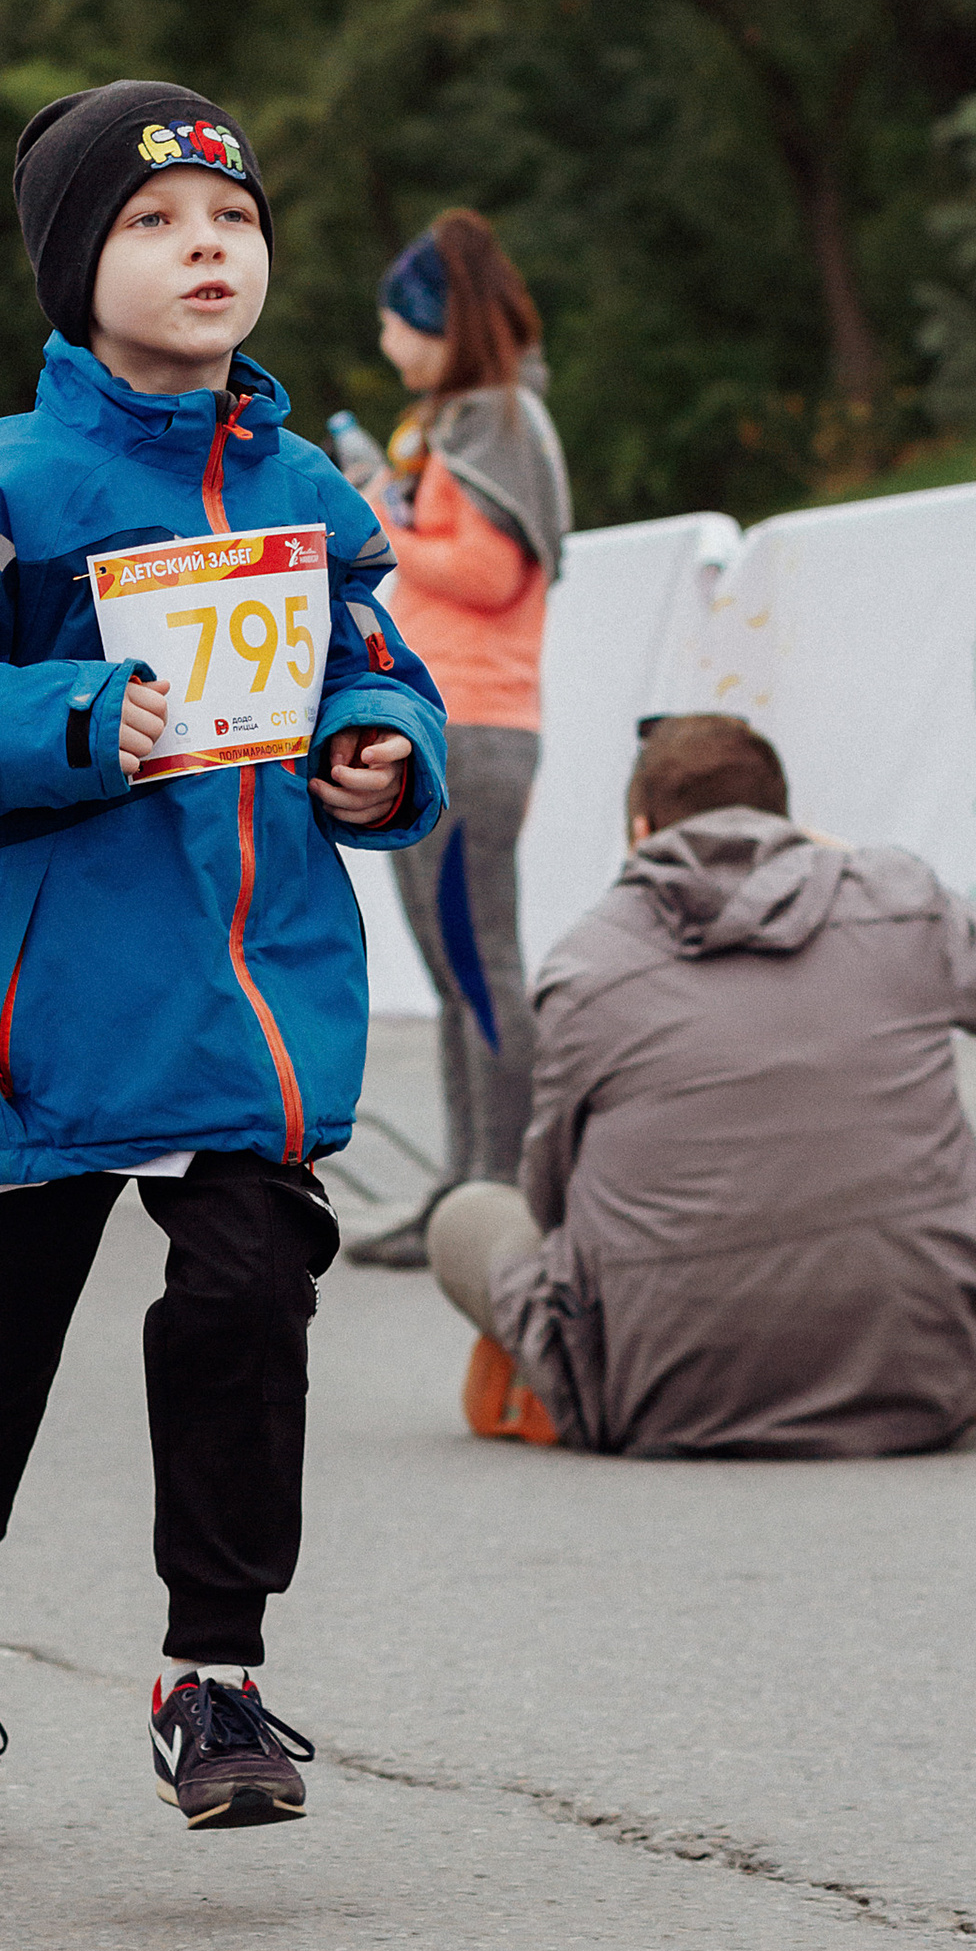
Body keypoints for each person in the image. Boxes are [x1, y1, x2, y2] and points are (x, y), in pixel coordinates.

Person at [0, 80, 446, 1833]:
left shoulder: (307, 484)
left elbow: (372, 665)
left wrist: (384, 748)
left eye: (233, 221)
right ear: (72, 269)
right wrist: (96, 713)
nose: (207, 249)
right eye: (158, 223)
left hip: (247, 997)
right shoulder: (9, 483)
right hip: (47, 1014)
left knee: (248, 1298)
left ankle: (217, 1678)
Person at [427, 713, 976, 1458]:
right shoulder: (896, 897)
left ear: (641, 828)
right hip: (921, 1370)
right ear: (787, 820)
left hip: (661, 1394)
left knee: (465, 1217)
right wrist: (844, 862)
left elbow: (551, 1197)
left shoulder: (587, 963)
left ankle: (563, 1385)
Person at [337, 210, 570, 1270]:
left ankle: (502, 1190)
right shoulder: (474, 420)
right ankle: (460, 1194)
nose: (389, 345)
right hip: (447, 722)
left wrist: (383, 520)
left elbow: (487, 573)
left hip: (474, 722)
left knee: (481, 969)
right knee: (458, 972)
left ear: (435, 323)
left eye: (398, 324)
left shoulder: (494, 419)